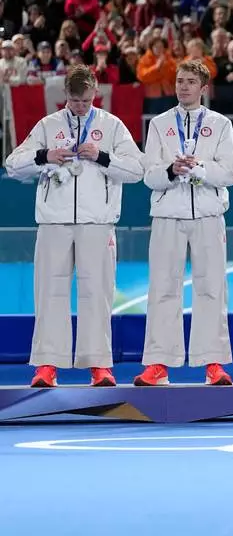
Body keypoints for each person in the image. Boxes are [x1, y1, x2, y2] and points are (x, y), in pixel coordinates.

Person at [3, 65, 144, 387]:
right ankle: (47, 366)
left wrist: (103, 157)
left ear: (95, 94)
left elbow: (138, 169)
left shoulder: (111, 126)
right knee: (49, 292)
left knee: (98, 293)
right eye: (75, 100)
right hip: (54, 221)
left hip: (97, 221)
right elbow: (13, 164)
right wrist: (45, 155)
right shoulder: (48, 125)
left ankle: (99, 366)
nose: (80, 106)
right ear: (66, 94)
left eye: (86, 100)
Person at [135, 59, 233, 387]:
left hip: (209, 214)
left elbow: (231, 174)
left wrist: (199, 169)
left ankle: (213, 364)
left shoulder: (221, 124)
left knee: (212, 290)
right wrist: (171, 170)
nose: (183, 86)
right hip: (168, 215)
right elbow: (148, 176)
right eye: (180, 81)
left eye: (191, 82)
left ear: (203, 88)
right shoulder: (159, 124)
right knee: (163, 290)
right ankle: (158, 365)